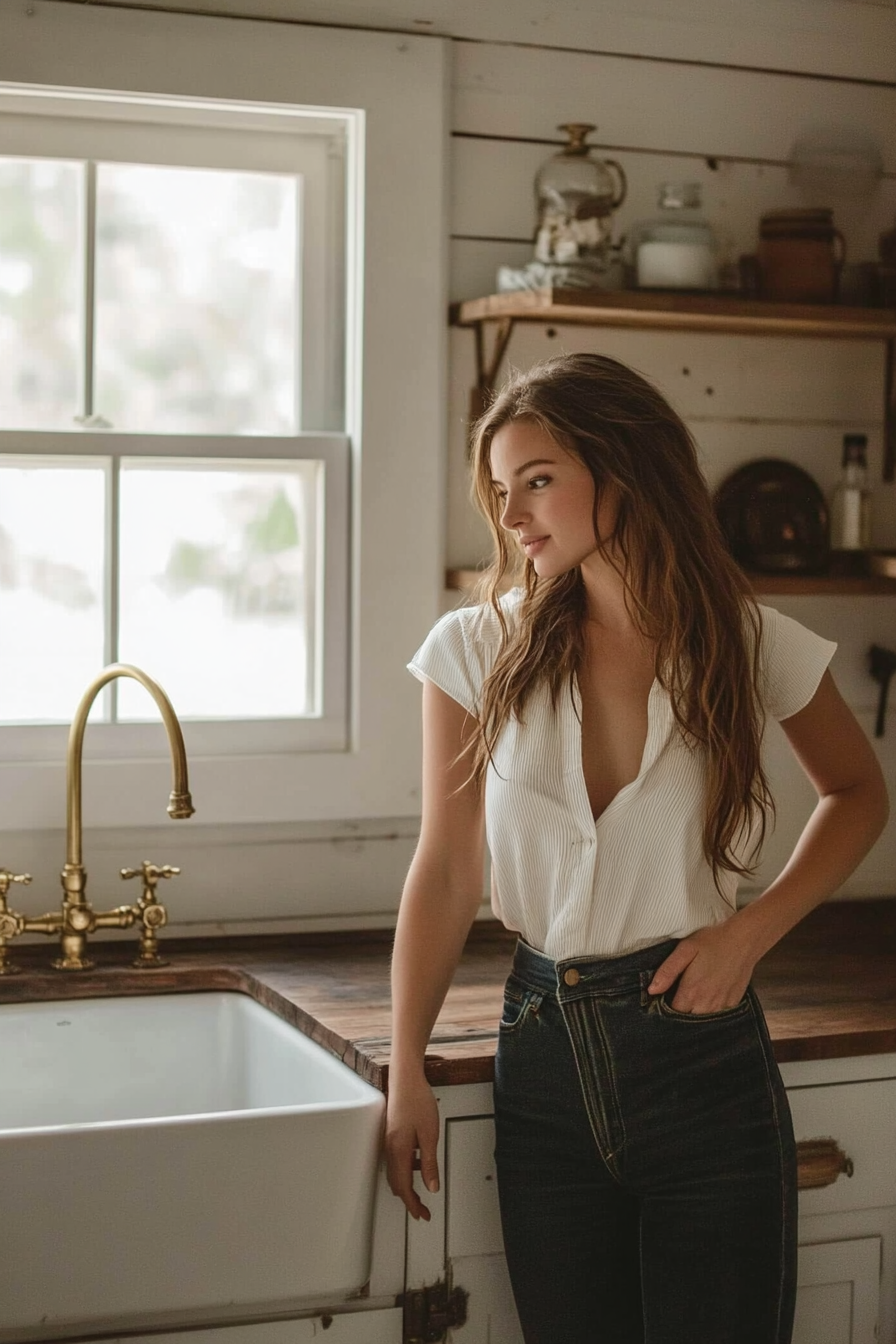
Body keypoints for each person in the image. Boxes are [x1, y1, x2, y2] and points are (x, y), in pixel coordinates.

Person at [385, 353, 888, 1344]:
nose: (515, 514)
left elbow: (859, 792)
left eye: (537, 479)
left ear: (624, 471)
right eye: (500, 489)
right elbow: (445, 869)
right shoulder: (471, 649)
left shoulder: (749, 642)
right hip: (541, 1062)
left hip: (704, 1056)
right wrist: (405, 1063)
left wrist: (750, 933)